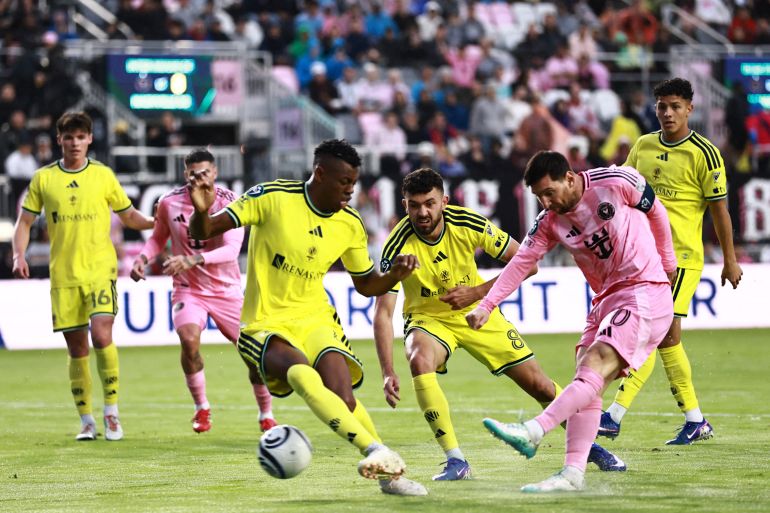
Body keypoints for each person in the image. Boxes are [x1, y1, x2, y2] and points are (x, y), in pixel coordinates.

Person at [187, 139, 427, 496]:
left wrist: (395, 276)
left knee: (344, 399)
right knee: (301, 373)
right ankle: (377, 452)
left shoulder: (350, 224)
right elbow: (202, 231)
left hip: (316, 320)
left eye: (354, 181)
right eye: (344, 181)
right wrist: (201, 211)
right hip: (264, 322)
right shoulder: (272, 197)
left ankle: (388, 478)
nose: (351, 188)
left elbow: (365, 285)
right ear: (320, 173)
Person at [374, 167, 626, 482]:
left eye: (429, 203)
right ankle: (456, 461)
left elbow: (528, 263)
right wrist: (386, 372)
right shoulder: (395, 246)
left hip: (477, 311)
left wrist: (477, 293)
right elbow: (383, 313)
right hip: (428, 319)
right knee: (419, 359)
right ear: (404, 205)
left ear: (445, 202)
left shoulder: (468, 223)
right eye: (414, 205)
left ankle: (590, 448)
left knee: (539, 385)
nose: (422, 212)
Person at [466, 150, 677, 492]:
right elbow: (521, 262)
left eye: (549, 193)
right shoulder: (549, 220)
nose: (546, 202)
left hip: (643, 290)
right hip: (605, 299)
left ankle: (533, 430)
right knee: (587, 379)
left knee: (595, 362)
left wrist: (668, 264)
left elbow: (657, 212)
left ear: (569, 177)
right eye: (539, 197)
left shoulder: (615, 182)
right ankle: (572, 473)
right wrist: (487, 305)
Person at [598, 78, 743, 445]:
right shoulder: (644, 146)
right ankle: (695, 420)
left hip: (680, 260)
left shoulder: (705, 154)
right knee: (665, 337)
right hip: (641, 258)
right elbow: (621, 186)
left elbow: (720, 212)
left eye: (675, 106)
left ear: (689, 109)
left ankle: (614, 416)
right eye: (662, 106)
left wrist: (730, 259)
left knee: (656, 334)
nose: (667, 113)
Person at [12, 111, 154, 441]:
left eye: (81, 137)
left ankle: (112, 413)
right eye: (69, 137)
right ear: (59, 140)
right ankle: (87, 420)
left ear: (89, 139)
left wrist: (158, 219)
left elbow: (130, 216)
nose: (75, 142)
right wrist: (19, 253)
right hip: (64, 275)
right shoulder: (43, 179)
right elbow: (24, 223)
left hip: (100, 271)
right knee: (78, 350)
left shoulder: (103, 175)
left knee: (102, 334)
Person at [130, 148, 276, 434]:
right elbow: (158, 239)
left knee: (254, 355)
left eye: (205, 173)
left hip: (227, 290)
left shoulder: (232, 203)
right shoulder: (168, 203)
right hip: (189, 289)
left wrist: (192, 259)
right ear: (186, 174)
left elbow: (232, 250)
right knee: (188, 340)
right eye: (194, 174)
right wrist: (142, 259)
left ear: (215, 173)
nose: (199, 179)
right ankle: (201, 408)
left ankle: (266, 412)